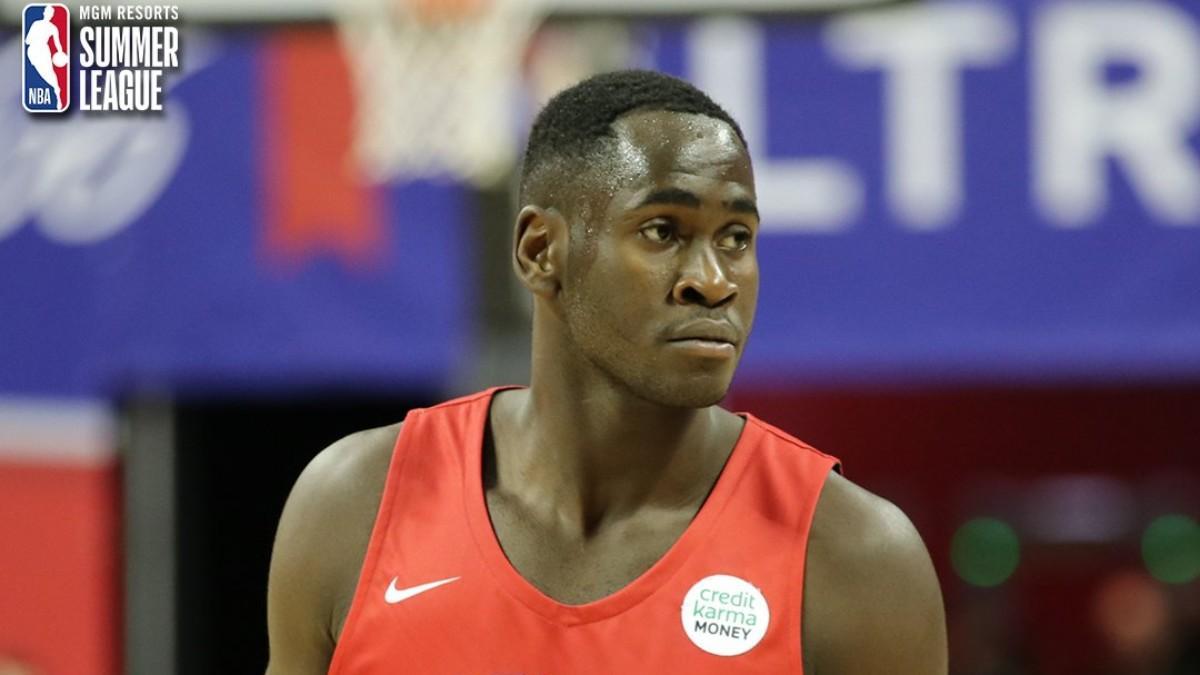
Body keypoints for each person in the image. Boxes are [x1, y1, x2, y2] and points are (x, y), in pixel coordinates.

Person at [266, 69, 947, 674]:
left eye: (736, 238)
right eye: (663, 231)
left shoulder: (855, 559)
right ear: (541, 251)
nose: (713, 281)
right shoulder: (354, 505)